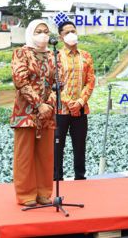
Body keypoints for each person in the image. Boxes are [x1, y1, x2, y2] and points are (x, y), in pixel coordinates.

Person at [11, 19, 56, 206]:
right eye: (38, 31)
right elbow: (20, 80)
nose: (43, 34)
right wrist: (39, 105)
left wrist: (50, 105)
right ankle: (26, 194)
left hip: (47, 114)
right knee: (24, 155)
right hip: (26, 112)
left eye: (46, 31)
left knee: (45, 156)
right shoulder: (21, 53)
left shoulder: (54, 56)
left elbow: (58, 84)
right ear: (30, 33)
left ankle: (44, 193)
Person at [54, 20, 95, 181]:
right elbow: (52, 82)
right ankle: (57, 179)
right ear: (60, 36)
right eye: (67, 32)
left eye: (73, 31)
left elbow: (90, 81)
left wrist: (80, 102)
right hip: (61, 110)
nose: (71, 34)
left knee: (80, 146)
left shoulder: (86, 56)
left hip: (80, 109)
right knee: (58, 147)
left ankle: (80, 177)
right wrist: (67, 102)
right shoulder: (55, 56)